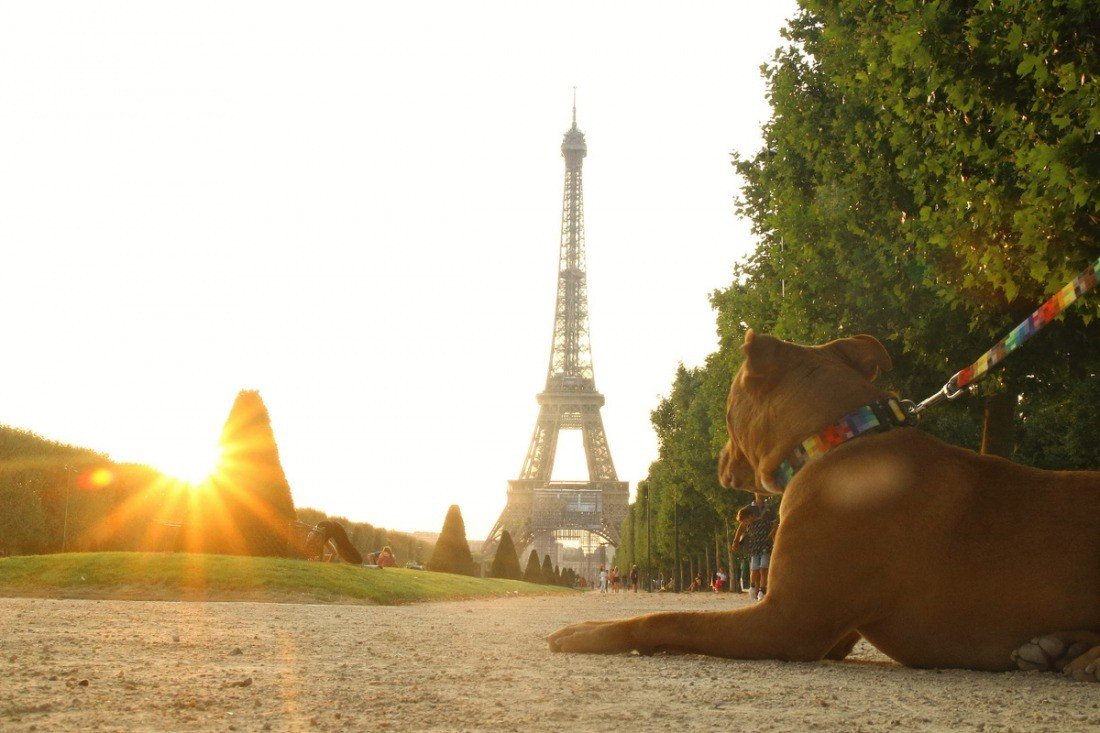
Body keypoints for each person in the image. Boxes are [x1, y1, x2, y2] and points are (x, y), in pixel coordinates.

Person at [731, 495, 777, 600]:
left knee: (763, 568)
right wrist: (736, 541)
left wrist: (772, 539)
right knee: (755, 569)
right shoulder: (749, 509)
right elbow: (741, 527)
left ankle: (761, 591)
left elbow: (775, 526)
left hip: (765, 546)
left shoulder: (770, 509)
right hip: (754, 547)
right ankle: (754, 590)